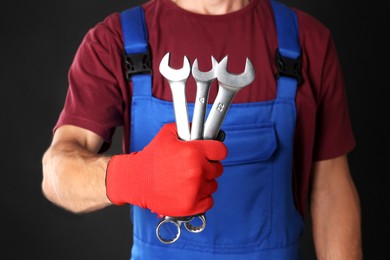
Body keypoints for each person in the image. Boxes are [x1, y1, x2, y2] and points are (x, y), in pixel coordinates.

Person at [41, 0, 362, 259]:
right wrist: (136, 178)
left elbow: (331, 189)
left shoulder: (307, 41)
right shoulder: (115, 41)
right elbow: (57, 176)